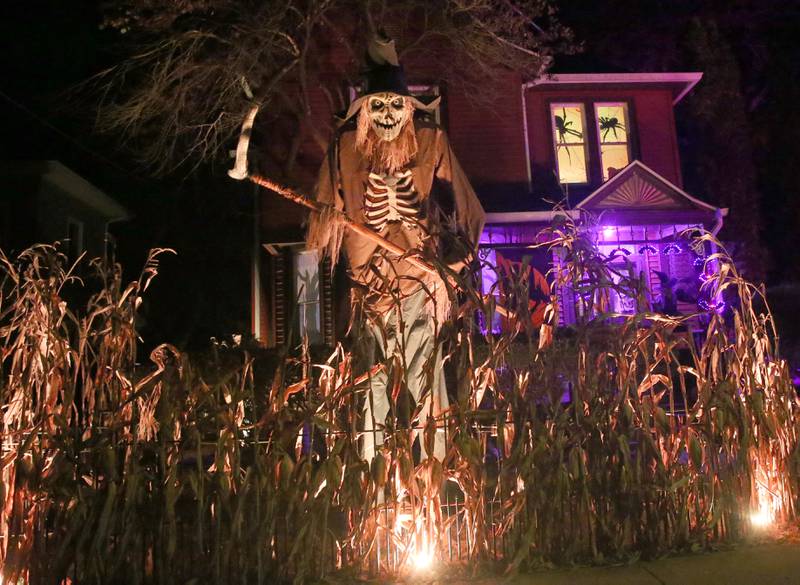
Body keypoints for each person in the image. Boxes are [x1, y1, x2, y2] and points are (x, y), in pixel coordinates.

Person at [306, 34, 484, 462]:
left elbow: (467, 206)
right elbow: (320, 219)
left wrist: (455, 261)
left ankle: (437, 473)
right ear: (364, 111)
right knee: (371, 386)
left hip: (419, 282)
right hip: (368, 288)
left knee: (428, 381)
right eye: (378, 106)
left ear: (409, 108)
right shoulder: (346, 148)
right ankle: (375, 483)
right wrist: (332, 217)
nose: (387, 115)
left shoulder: (428, 139)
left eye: (395, 105)